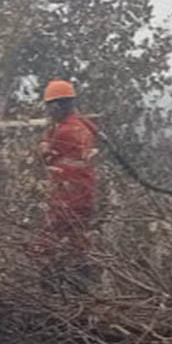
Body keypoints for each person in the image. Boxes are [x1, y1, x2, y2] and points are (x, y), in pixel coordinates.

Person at [37, 79, 98, 289]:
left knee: (49, 244)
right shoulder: (84, 126)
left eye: (49, 107)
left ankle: (51, 291)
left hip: (67, 198)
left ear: (56, 106)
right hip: (84, 195)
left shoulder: (63, 132)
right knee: (78, 243)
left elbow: (47, 157)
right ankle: (84, 288)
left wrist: (45, 140)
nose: (48, 112)